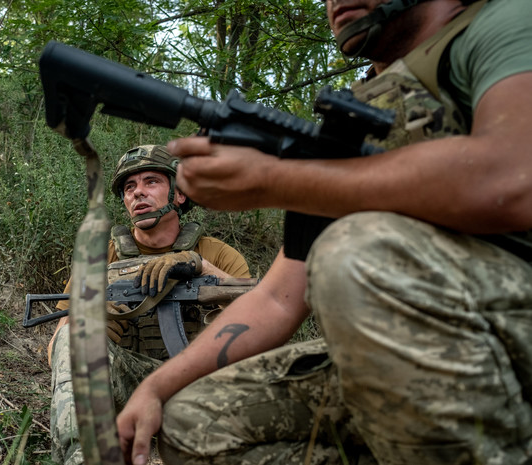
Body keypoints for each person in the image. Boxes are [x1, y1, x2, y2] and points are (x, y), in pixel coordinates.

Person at [116, 1, 532, 464]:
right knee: (190, 419)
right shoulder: (362, 106)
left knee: (354, 251)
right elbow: (278, 298)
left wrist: (277, 180)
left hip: (511, 331)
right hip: (408, 351)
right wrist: (155, 386)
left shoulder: (502, 24)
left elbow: (516, 180)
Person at [47, 145, 250, 465]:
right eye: (129, 187)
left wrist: (201, 267)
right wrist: (98, 328)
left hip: (201, 389)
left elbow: (259, 315)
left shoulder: (217, 253)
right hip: (130, 388)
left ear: (179, 194)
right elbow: (58, 346)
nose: (138, 192)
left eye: (151, 181)